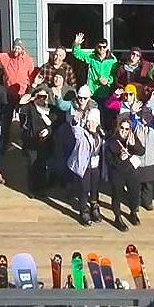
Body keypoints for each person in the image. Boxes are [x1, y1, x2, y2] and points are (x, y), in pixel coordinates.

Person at [0, 28, 36, 146]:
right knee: (6, 121)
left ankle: (26, 145)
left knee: (24, 122)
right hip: (8, 94)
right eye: (15, 47)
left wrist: (30, 92)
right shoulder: (6, 57)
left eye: (19, 48)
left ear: (22, 50)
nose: (16, 50)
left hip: (22, 95)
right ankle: (3, 144)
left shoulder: (28, 60)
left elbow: (32, 76)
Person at [66, 88, 104, 225]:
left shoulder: (100, 134)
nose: (90, 124)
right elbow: (75, 128)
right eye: (80, 98)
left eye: (85, 98)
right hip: (83, 162)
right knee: (84, 188)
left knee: (95, 187)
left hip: (95, 163)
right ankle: (83, 210)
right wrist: (75, 120)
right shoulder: (81, 133)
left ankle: (94, 207)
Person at [17, 81, 58, 198]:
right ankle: (32, 189)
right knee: (32, 165)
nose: (42, 99)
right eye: (39, 96)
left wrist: (48, 131)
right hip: (32, 142)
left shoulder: (51, 109)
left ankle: (41, 188)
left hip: (45, 142)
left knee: (42, 165)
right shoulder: (29, 108)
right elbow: (20, 105)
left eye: (44, 96)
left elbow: (54, 124)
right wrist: (32, 94)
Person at [107, 114, 144, 231]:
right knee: (117, 194)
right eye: (122, 128)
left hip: (131, 170)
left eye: (127, 129)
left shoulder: (132, 138)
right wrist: (119, 159)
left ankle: (133, 212)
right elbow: (109, 161)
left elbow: (141, 151)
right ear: (118, 128)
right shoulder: (112, 141)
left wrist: (134, 145)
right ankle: (117, 217)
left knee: (135, 192)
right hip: (117, 172)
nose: (124, 131)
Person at [71, 33, 119, 101]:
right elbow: (76, 53)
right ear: (96, 47)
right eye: (99, 47)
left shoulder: (113, 60)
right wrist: (76, 44)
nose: (102, 49)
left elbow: (114, 74)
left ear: (107, 47)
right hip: (92, 92)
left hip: (106, 92)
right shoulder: (91, 56)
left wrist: (108, 81)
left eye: (104, 47)